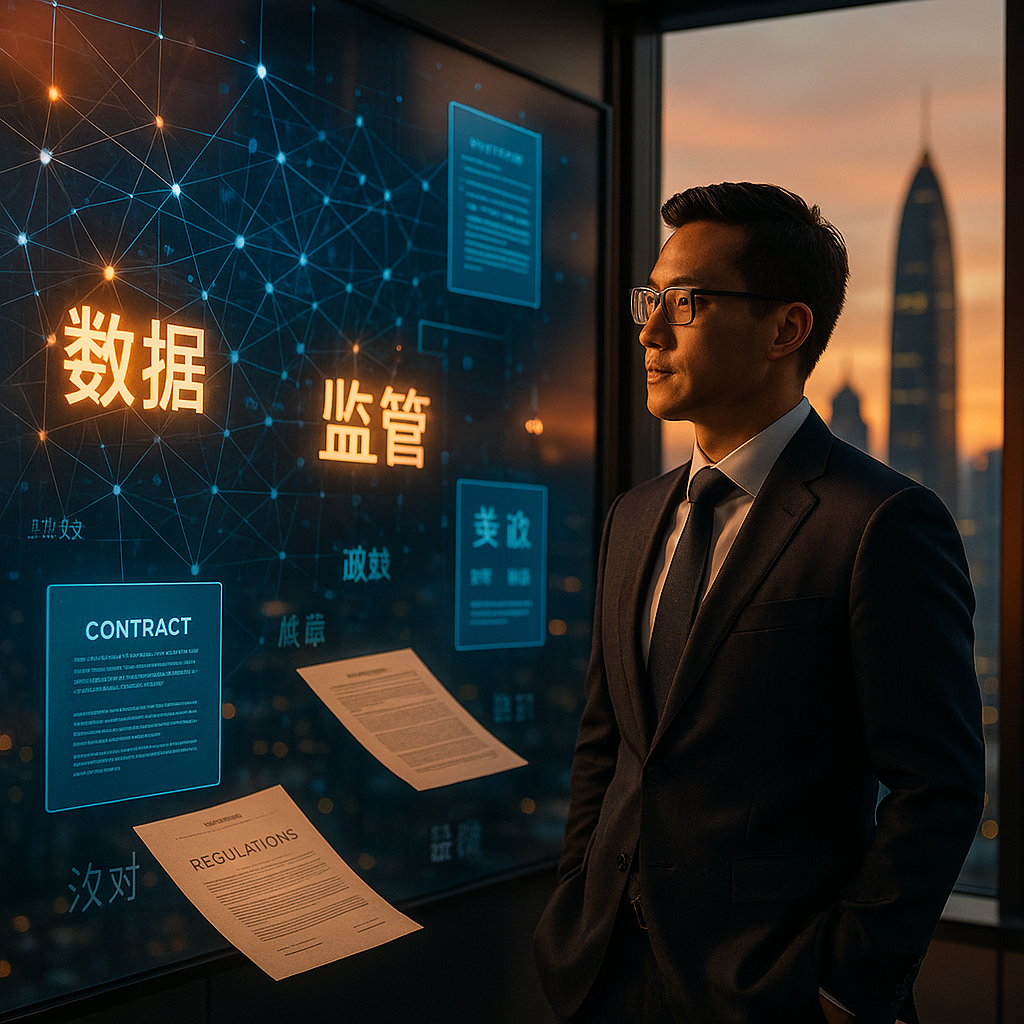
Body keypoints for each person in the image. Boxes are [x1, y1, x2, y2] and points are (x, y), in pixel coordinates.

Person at [533, 182, 985, 1024]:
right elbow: (610, 746)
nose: (650, 330)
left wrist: (843, 986)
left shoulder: (880, 521)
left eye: (686, 303)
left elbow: (940, 787)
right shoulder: (634, 517)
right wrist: (574, 909)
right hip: (605, 979)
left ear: (786, 329)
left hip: (775, 992)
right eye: (649, 299)